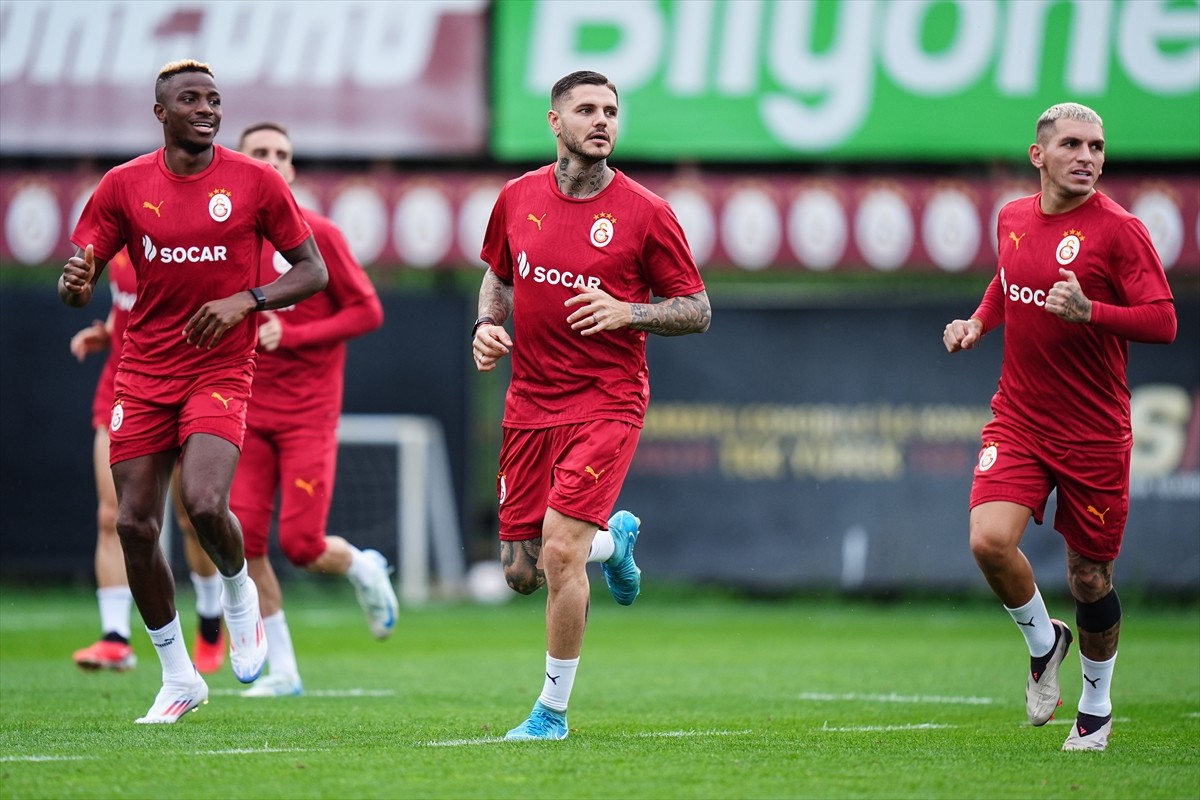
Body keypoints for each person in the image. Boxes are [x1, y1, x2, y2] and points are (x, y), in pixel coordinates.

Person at [59, 60, 328, 723]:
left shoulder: (255, 182)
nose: (207, 108)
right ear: (162, 113)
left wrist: (250, 299)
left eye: (214, 99)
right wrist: (74, 284)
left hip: (219, 369)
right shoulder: (123, 186)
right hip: (143, 372)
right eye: (191, 100)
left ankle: (239, 598)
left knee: (205, 504)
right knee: (132, 524)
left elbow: (313, 270)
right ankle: (179, 676)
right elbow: (81, 274)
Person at [472, 70, 711, 740]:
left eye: (610, 110)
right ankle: (616, 542)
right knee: (521, 572)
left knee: (558, 553)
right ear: (555, 123)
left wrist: (627, 311)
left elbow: (697, 309)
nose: (602, 120)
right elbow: (498, 273)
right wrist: (485, 326)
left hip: (607, 401)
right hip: (529, 401)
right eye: (586, 110)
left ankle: (551, 712)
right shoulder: (517, 197)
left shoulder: (646, 212)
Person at [943, 102, 1176, 752]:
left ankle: (1096, 705)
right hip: (1019, 416)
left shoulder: (1121, 231)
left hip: (1094, 431)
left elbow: (1163, 320)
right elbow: (1007, 279)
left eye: (1098, 146)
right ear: (1038, 155)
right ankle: (1045, 645)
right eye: (1073, 144)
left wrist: (1091, 310)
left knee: (1088, 578)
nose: (1088, 157)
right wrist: (978, 323)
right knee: (989, 540)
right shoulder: (1012, 216)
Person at [230, 121, 395, 699]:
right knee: (242, 539)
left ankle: (364, 569)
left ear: (293, 169)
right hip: (244, 408)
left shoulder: (318, 232)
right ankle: (284, 671)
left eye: (282, 154)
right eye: (260, 153)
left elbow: (368, 312)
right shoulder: (228, 239)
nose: (272, 162)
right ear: (238, 162)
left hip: (308, 414)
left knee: (301, 545)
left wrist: (291, 335)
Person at [69, 249, 227, 675]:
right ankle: (115, 636)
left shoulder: (185, 243)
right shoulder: (115, 244)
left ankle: (211, 620)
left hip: (180, 388)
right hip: (122, 388)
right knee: (113, 516)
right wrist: (107, 331)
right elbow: (124, 303)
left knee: (192, 517)